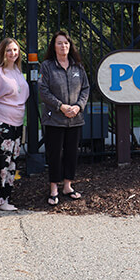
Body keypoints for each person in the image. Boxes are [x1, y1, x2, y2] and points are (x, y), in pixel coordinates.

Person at [39, 30, 90, 206]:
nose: (63, 46)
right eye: (59, 43)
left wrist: (78, 106)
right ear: (54, 46)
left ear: (70, 46)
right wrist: (61, 106)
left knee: (71, 153)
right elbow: (43, 90)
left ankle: (68, 186)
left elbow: (85, 88)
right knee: (54, 154)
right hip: (54, 119)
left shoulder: (78, 67)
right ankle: (54, 188)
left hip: (75, 119)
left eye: (66, 43)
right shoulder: (47, 66)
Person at [0, 38, 29, 211]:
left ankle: (5, 197)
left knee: (12, 163)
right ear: (2, 52)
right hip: (1, 122)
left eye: (15, 50)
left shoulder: (18, 71)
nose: (13, 53)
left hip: (17, 122)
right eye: (9, 50)